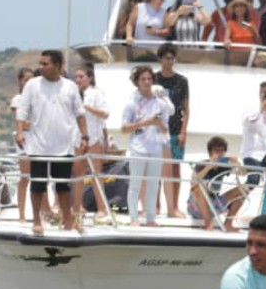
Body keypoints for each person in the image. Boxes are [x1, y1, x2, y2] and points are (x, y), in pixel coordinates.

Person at [17, 50, 89, 235]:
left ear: (58, 65)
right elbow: (22, 111)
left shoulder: (70, 86)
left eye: (45, 64)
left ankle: (68, 221)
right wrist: (19, 133)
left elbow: (80, 113)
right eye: (40, 63)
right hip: (39, 144)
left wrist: (85, 136)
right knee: (38, 185)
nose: (40, 67)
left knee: (63, 186)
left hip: (63, 144)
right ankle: (36, 220)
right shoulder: (32, 85)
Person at [121, 65, 171, 226]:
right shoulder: (131, 103)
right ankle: (134, 218)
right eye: (143, 79)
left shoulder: (161, 104)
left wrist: (157, 123)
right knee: (135, 184)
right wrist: (146, 122)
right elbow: (124, 128)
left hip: (155, 148)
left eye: (149, 79)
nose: (147, 82)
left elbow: (165, 129)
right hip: (137, 148)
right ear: (137, 82)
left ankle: (151, 218)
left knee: (153, 185)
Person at [72, 64, 112, 223]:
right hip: (76, 138)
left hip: (94, 137)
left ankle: (102, 208)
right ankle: (77, 206)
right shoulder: (73, 94)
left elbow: (105, 114)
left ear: (89, 78)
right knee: (78, 174)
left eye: (81, 76)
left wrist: (87, 107)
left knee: (96, 174)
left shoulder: (96, 94)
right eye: (76, 77)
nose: (78, 80)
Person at [155, 43, 191, 218]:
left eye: (172, 58)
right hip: (156, 132)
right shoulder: (153, 79)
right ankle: (155, 205)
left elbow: (186, 109)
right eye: (166, 58)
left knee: (175, 169)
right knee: (156, 169)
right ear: (160, 59)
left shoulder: (182, 81)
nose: (170, 61)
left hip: (176, 130)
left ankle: (174, 206)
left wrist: (184, 131)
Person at [189, 136, 246, 229]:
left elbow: (242, 174)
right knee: (198, 186)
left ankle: (228, 223)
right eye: (216, 151)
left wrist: (237, 163)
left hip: (215, 205)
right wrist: (209, 166)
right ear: (210, 153)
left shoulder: (224, 166)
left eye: (221, 151)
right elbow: (193, 181)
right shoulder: (202, 164)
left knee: (243, 189)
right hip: (197, 207)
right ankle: (208, 223)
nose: (219, 154)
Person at [11, 67, 43, 223]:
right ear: (20, 81)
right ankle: (22, 214)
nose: (29, 82)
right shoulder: (18, 99)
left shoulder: (36, 98)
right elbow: (21, 123)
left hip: (38, 139)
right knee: (25, 178)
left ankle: (41, 212)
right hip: (25, 140)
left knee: (40, 177)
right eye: (26, 79)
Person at [241, 81, 266, 182]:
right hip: (252, 154)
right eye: (263, 93)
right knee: (254, 179)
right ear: (259, 93)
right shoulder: (250, 110)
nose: (265, 96)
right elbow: (248, 121)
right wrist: (261, 109)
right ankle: (239, 197)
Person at [224, 0, 260, 64]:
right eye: (236, 6)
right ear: (234, 9)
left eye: (242, 6)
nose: (239, 8)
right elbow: (226, 39)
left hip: (249, 58)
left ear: (246, 9)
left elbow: (258, 42)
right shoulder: (230, 23)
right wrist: (227, 40)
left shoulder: (251, 23)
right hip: (235, 58)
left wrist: (253, 30)